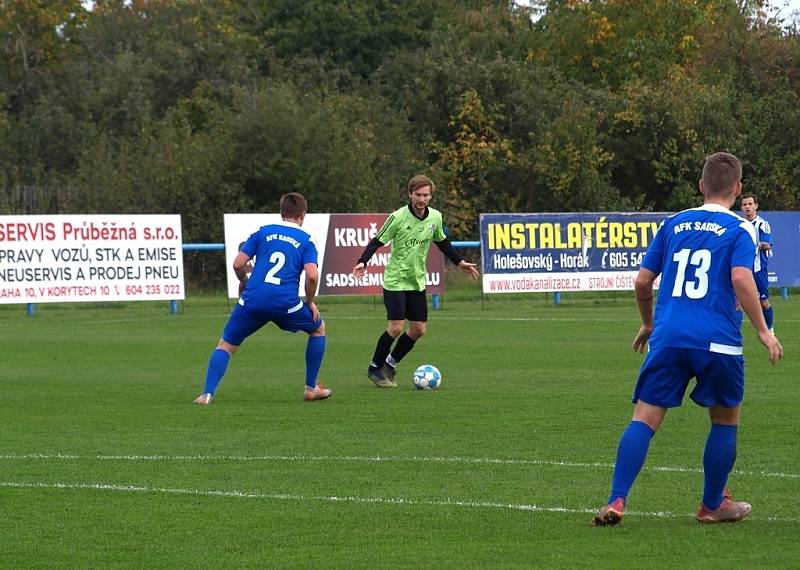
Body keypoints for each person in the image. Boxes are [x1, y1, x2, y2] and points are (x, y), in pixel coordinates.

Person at [591, 152, 783, 527]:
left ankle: (616, 499)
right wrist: (763, 329)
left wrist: (648, 324)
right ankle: (712, 504)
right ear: (738, 188)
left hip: (668, 337)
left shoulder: (673, 223)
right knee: (725, 422)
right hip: (718, 341)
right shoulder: (741, 229)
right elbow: (743, 279)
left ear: (700, 186)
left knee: (644, 419)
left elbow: (643, 282)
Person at [193, 192, 331, 404]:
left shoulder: (263, 232)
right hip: (285, 303)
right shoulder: (306, 240)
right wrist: (310, 301)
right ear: (303, 215)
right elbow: (312, 275)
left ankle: (207, 394)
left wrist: (244, 281)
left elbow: (238, 264)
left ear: (281, 212)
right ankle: (311, 388)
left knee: (226, 346)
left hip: (253, 300)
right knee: (318, 328)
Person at [352, 175, 480, 388]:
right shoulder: (398, 217)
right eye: (418, 195)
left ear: (431, 196)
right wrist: (363, 261)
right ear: (410, 194)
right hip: (395, 281)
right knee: (395, 328)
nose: (422, 199)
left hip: (417, 281)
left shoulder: (435, 217)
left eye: (426, 195)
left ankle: (390, 364)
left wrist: (460, 263)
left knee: (418, 330)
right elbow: (377, 241)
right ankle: (375, 368)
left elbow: (443, 242)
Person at [740, 194, 775, 332]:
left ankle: (770, 330)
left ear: (756, 206)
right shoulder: (740, 224)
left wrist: (752, 244)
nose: (747, 207)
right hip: (742, 268)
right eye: (744, 204)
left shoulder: (762, 224)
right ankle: (732, 332)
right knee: (736, 302)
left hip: (758, 269)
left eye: (750, 204)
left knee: (763, 302)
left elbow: (767, 244)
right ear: (741, 208)